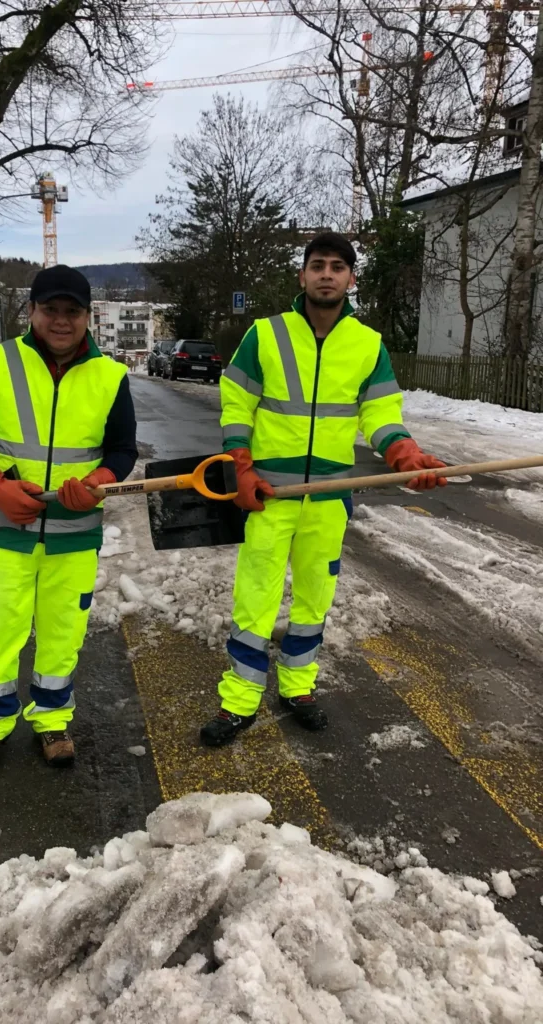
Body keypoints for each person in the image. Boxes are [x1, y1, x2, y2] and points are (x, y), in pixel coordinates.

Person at [200, 232, 446, 747]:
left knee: (315, 599)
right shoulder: (265, 334)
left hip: (330, 497)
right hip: (270, 495)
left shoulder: (367, 344)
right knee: (255, 602)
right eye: (318, 265)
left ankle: (298, 688)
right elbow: (236, 404)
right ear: (303, 276)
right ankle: (239, 701)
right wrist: (240, 465)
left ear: (351, 278)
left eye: (338, 266)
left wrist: (404, 452)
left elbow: (380, 413)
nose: (327, 274)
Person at [0, 265, 137, 771]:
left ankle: (51, 721)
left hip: (74, 535)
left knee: (62, 634)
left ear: (88, 317)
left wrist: (98, 484)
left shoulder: (111, 376)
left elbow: (122, 450)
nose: (62, 321)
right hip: (5, 530)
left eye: (73, 312)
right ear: (32, 312)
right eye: (51, 310)